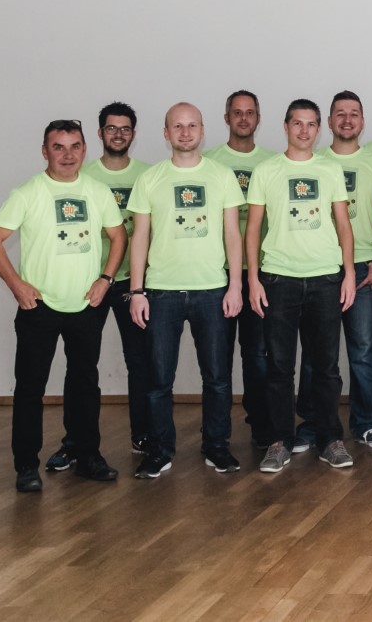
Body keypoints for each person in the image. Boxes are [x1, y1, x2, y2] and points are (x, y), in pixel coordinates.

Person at [0, 119, 125, 491]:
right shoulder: (27, 192)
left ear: (84, 150)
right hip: (39, 308)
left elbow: (118, 235)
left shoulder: (97, 191)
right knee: (30, 388)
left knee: (85, 384)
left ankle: (87, 456)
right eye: (58, 147)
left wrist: (105, 279)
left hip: (85, 305)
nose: (67, 155)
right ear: (44, 151)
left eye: (75, 146)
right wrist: (17, 285)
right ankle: (26, 466)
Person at [126, 102, 245, 476]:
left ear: (203, 131)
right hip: (161, 293)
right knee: (158, 381)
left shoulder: (222, 176)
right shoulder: (150, 179)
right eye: (177, 126)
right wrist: (137, 291)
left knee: (218, 379)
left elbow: (233, 234)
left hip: (213, 290)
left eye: (192, 125)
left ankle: (217, 447)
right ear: (166, 133)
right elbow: (139, 237)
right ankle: (160, 451)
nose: (185, 132)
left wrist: (235, 285)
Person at [245, 99, 357, 473]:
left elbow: (344, 225)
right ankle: (280, 442)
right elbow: (253, 228)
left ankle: (330, 439)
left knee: (326, 367)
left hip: (325, 278)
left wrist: (349, 274)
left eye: (311, 124)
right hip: (279, 279)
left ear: (319, 129)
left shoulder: (330, 169)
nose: (304, 130)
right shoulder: (266, 170)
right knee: (279, 367)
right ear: (285, 126)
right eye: (298, 123)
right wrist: (252, 278)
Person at [317, 91, 372, 450]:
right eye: (340, 113)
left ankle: (365, 422)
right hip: (321, 268)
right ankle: (315, 425)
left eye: (354, 114)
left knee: (364, 349)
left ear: (363, 122)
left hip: (366, 269)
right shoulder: (314, 162)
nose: (347, 120)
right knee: (318, 354)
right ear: (329, 122)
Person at [71, 102, 153, 465]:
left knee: (141, 362)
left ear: (133, 134)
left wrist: (141, 283)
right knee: (81, 364)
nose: (118, 134)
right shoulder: (83, 176)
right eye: (111, 128)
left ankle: (143, 436)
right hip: (92, 283)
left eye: (125, 129)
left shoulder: (148, 175)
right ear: (100, 132)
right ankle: (75, 443)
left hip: (133, 283)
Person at [203, 89, 276, 449]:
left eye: (250, 112)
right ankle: (216, 435)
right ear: (226, 118)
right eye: (237, 112)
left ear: (258, 118)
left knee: (258, 354)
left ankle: (260, 423)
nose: (243, 118)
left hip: (260, 274)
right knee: (218, 359)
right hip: (218, 274)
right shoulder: (208, 162)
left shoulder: (273, 163)